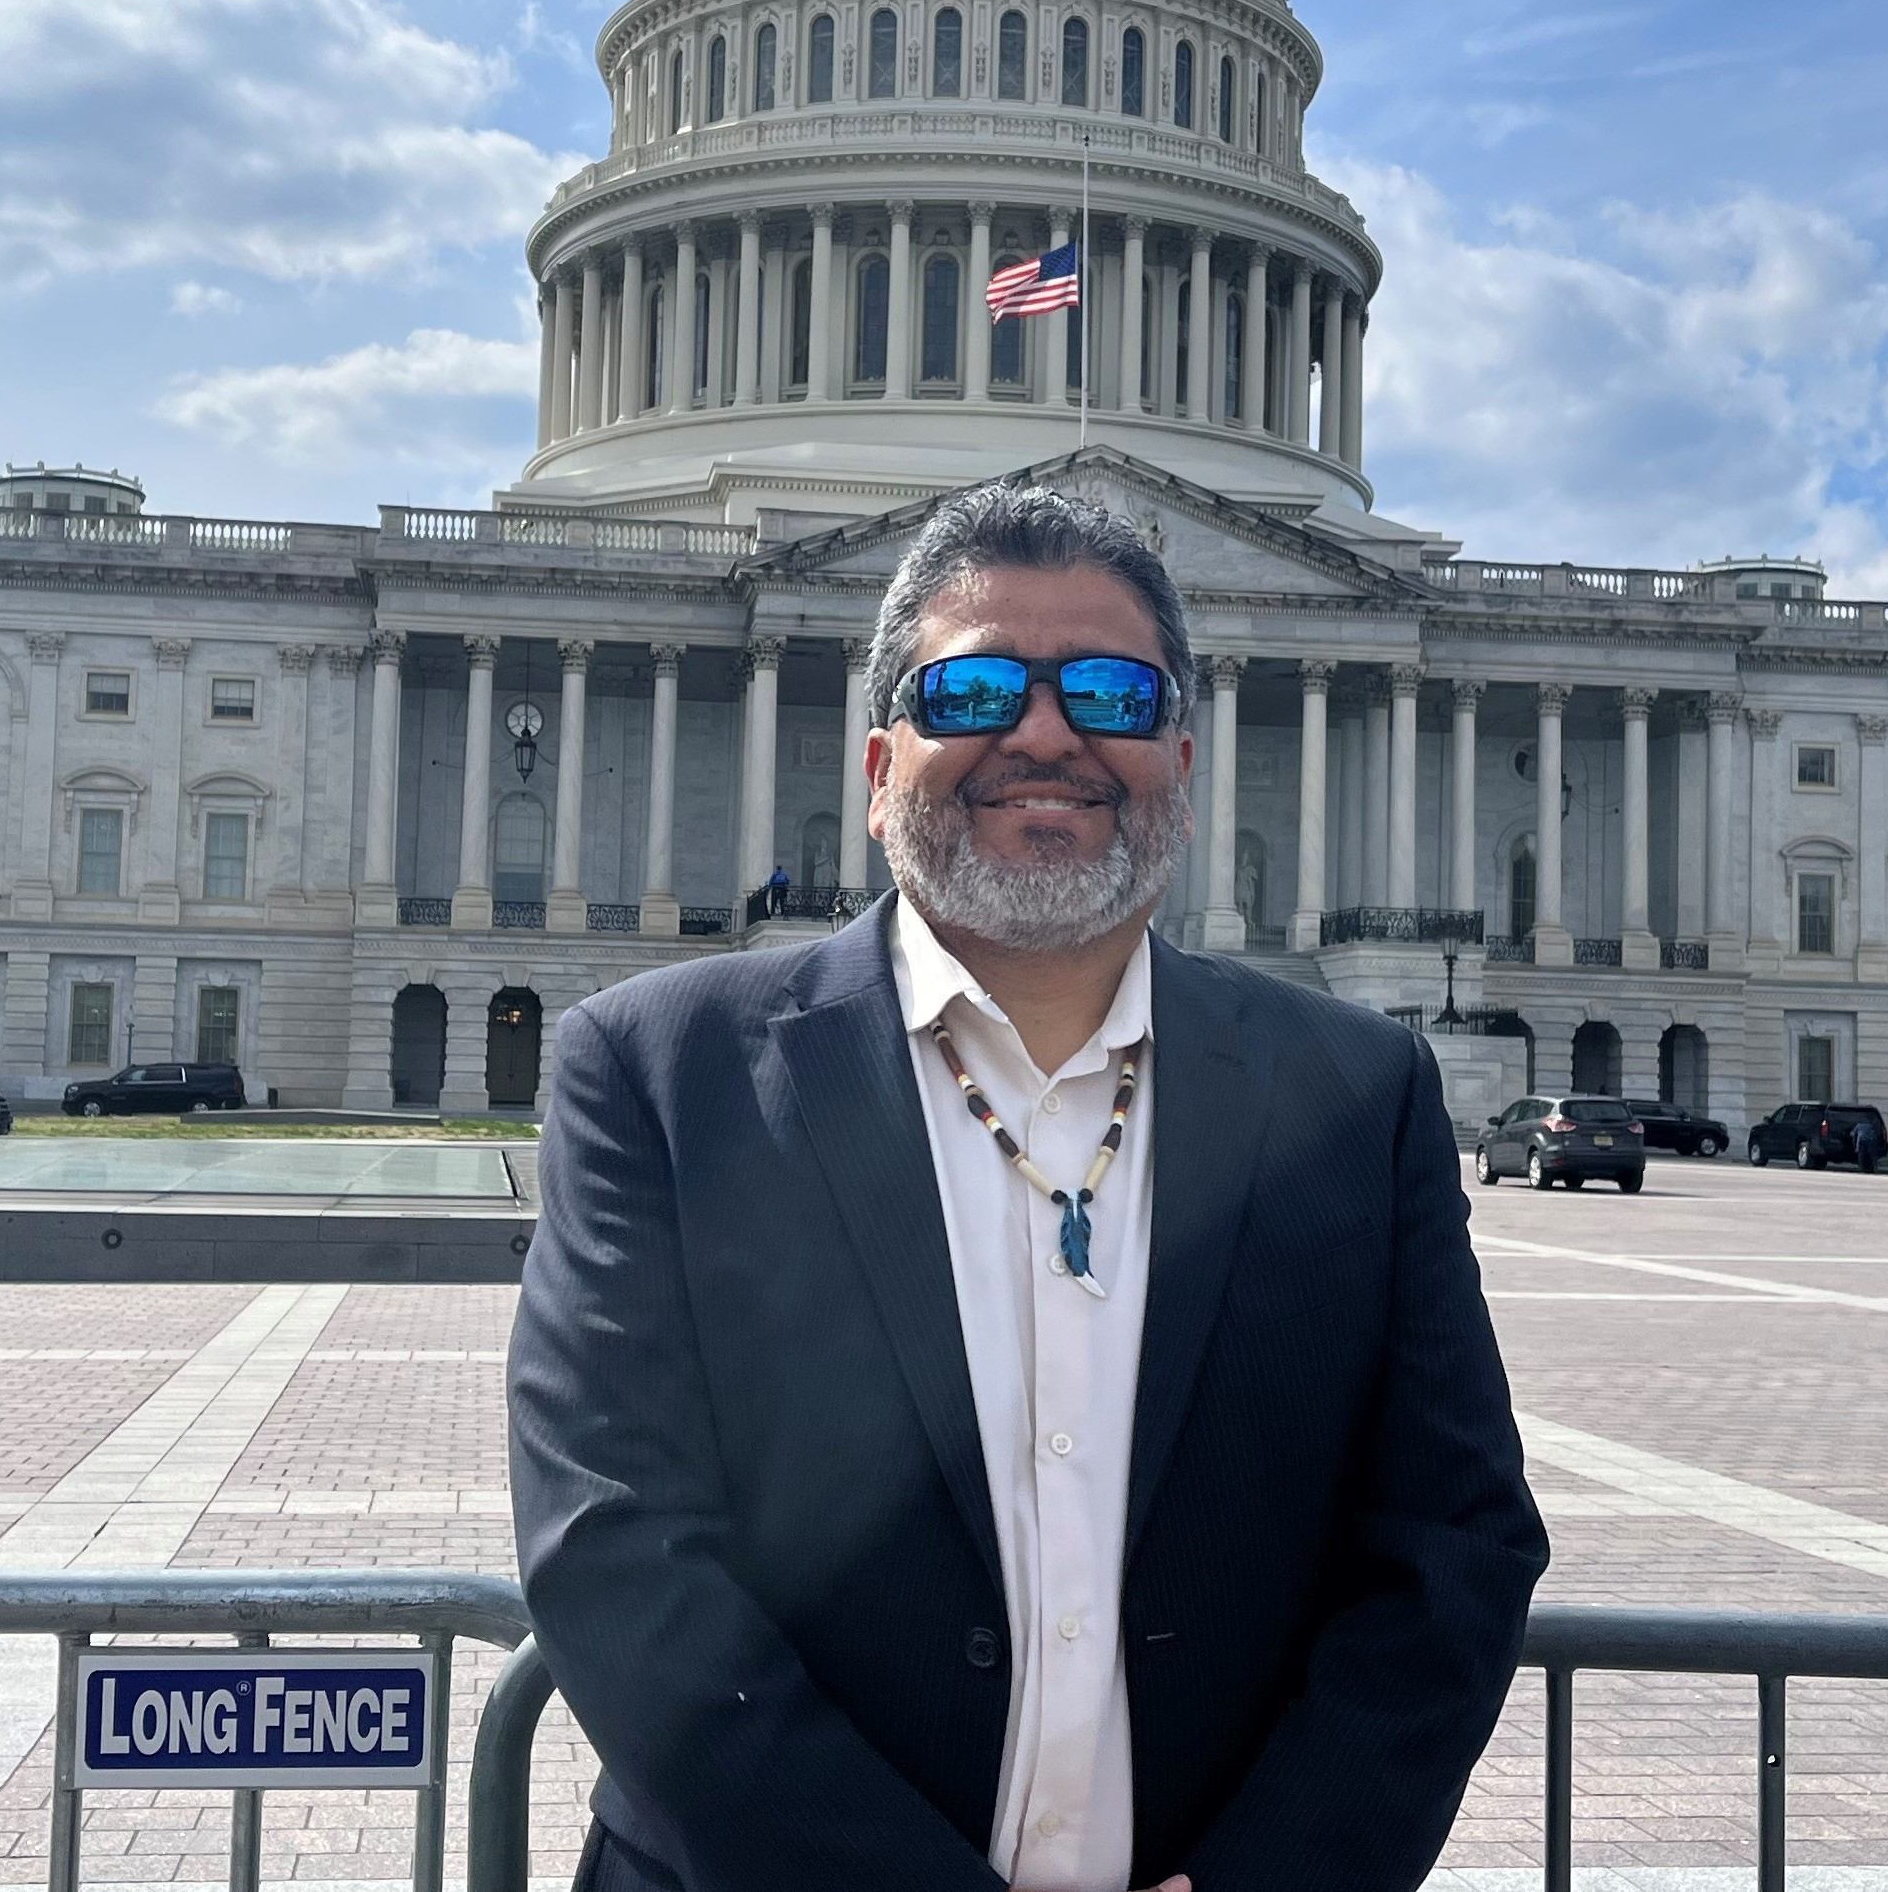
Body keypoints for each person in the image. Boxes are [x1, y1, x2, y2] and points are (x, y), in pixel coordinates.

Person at [512, 484, 1549, 1892]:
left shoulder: (1358, 1096)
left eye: (1113, 693)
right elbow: (616, 1553)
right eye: (978, 686)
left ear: (1182, 756)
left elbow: (1455, 1540)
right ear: (878, 764)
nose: (1047, 734)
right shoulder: (661, 1074)